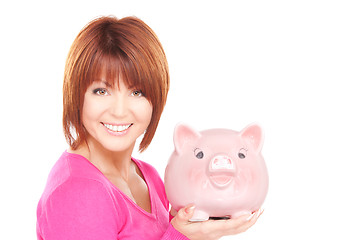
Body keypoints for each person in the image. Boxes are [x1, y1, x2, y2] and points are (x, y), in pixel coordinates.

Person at [36, 16, 263, 240]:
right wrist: (185, 237)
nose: (119, 110)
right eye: (101, 91)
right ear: (76, 95)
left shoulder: (149, 177)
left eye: (137, 92)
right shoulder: (78, 193)